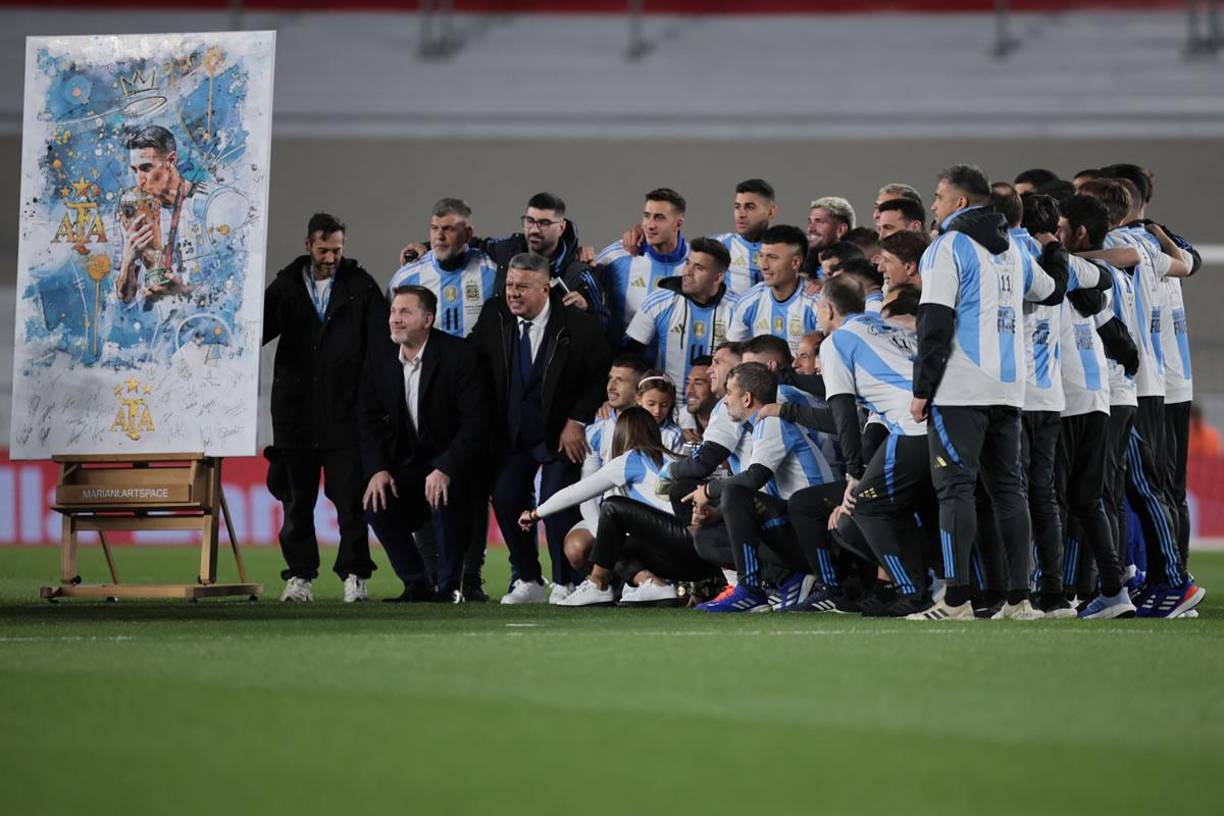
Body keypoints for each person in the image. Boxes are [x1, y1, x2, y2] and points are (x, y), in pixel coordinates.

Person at [908, 164, 1067, 621]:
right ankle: (1019, 599)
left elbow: (934, 322)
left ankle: (956, 599)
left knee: (955, 490)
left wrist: (922, 389)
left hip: (960, 388)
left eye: (938, 196)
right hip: (1009, 389)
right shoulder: (1014, 253)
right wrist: (1054, 249)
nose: (933, 204)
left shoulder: (947, 247)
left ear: (959, 202)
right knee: (1008, 491)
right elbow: (1053, 290)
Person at [470, 252, 611, 604]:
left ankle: (565, 582)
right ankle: (529, 579)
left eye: (522, 287)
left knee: (556, 503)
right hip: (510, 435)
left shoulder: (581, 326)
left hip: (559, 434)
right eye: (509, 286)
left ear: (545, 288)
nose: (513, 293)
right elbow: (473, 362)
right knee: (504, 498)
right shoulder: (494, 315)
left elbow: (599, 379)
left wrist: (577, 420)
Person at [263, 213, 388, 603]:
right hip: (295, 417)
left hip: (346, 416)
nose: (331, 257)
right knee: (297, 504)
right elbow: (255, 332)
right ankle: (300, 578)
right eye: (324, 250)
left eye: (337, 249)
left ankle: (355, 575)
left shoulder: (360, 286)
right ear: (308, 246)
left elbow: (380, 347)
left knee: (351, 504)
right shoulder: (284, 287)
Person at [805, 274, 934, 617]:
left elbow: (843, 414)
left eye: (818, 308)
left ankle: (913, 591)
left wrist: (853, 472)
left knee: (866, 507)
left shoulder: (836, 343)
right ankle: (916, 586)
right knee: (896, 505)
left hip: (913, 425)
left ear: (828, 309)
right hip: (942, 420)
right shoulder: (888, 329)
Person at [357, 285, 491, 602]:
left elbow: (476, 421)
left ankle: (448, 588)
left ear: (427, 319)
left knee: (443, 497)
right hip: (409, 467)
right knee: (376, 501)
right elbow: (368, 418)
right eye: (393, 312)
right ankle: (416, 583)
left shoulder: (461, 356)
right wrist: (377, 469)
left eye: (405, 312)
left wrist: (445, 467)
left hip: (457, 467)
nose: (395, 319)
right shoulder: (380, 359)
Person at [521, 407, 721, 607]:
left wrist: (536, 513)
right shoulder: (676, 459)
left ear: (621, 435)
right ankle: (650, 583)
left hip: (684, 547)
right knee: (615, 537)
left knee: (611, 509)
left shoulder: (631, 458)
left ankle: (597, 584)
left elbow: (574, 493)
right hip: (705, 559)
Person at [687, 362, 840, 613]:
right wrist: (718, 511)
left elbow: (752, 480)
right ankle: (786, 581)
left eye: (729, 392)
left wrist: (708, 491)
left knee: (736, 494)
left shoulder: (773, 423)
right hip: (795, 528)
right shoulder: (761, 426)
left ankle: (751, 590)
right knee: (709, 536)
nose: (724, 401)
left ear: (746, 398)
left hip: (817, 533)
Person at [1053, 195, 1139, 618]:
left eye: (1062, 226)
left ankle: (1058, 592)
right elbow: (1122, 341)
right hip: (1099, 396)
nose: (1057, 234)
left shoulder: (1053, 270)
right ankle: (1111, 588)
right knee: (1088, 500)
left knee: (1053, 497)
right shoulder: (1094, 275)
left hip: (1065, 398)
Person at [563, 368, 683, 575]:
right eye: (651, 404)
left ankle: (640, 582)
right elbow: (586, 492)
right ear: (638, 400)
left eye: (663, 405)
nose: (657, 411)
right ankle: (606, 584)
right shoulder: (600, 429)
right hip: (609, 516)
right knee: (576, 547)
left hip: (652, 518)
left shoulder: (674, 436)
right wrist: (602, 535)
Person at [624, 236, 740, 418]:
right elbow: (630, 358)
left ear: (717, 277)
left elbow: (741, 369)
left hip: (719, 412)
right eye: (688, 263)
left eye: (698, 268)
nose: (687, 272)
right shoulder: (658, 301)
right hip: (664, 411)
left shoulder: (738, 309)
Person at [387, 198, 497, 337]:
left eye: (448, 229)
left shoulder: (491, 272)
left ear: (468, 234)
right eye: (434, 228)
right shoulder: (406, 277)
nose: (439, 236)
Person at [596, 188, 690, 345]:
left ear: (678, 224)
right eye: (647, 216)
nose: (650, 225)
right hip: (622, 361)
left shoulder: (695, 262)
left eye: (659, 218)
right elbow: (582, 282)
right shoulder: (619, 254)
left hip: (673, 366)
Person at [725, 225, 818, 355]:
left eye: (772, 257)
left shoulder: (817, 304)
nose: (763, 266)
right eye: (761, 256)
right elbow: (731, 354)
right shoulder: (749, 301)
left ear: (795, 262)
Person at [713, 178, 777, 294]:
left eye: (750, 207)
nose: (741, 214)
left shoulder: (787, 248)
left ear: (771, 212)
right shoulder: (718, 245)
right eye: (737, 207)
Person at [683, 356, 717, 440]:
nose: (689, 390)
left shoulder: (733, 425)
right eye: (688, 382)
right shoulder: (679, 422)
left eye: (698, 383)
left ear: (715, 386)